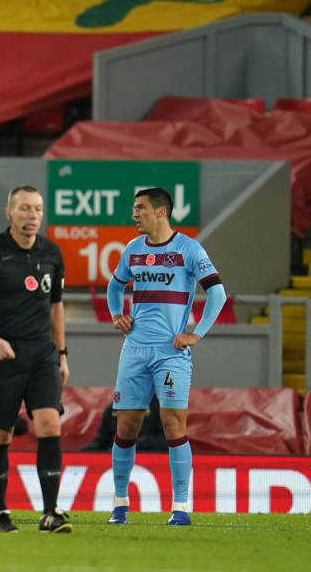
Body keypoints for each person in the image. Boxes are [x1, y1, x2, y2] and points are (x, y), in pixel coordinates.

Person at [106, 186, 226, 527]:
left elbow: (216, 292)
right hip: (135, 349)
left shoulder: (188, 249)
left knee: (173, 425)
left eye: (141, 207)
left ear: (161, 211)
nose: (134, 214)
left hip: (171, 352)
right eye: (134, 207)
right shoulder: (133, 249)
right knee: (126, 426)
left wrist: (196, 334)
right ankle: (119, 504)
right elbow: (115, 286)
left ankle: (181, 506)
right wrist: (117, 314)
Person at [0, 185, 72, 534]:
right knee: (0, 433)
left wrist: (62, 352)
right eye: (25, 209)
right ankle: (0, 513)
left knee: (49, 425)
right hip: (3, 355)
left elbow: (56, 307)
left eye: (38, 209)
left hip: (41, 352)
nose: (33, 215)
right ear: (9, 213)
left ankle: (51, 512)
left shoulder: (53, 254)